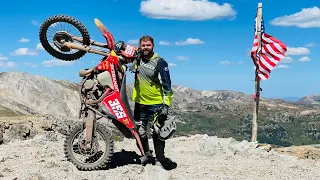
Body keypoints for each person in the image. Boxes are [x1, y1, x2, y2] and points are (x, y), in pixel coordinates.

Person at [130, 35, 177, 170]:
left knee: (157, 133)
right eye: (143, 45)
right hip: (139, 103)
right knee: (140, 131)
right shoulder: (137, 59)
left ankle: (160, 159)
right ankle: (145, 155)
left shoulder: (160, 62)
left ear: (153, 46)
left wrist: (166, 105)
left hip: (156, 103)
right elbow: (126, 62)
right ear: (140, 46)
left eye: (148, 45)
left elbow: (167, 85)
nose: (145, 48)